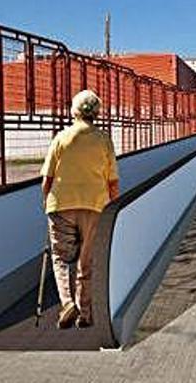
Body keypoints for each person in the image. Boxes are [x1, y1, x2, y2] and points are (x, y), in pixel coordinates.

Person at [41, 90, 120, 329]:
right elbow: (112, 181)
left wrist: (46, 201)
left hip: (61, 204)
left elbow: (47, 178)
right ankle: (84, 313)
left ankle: (66, 304)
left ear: (74, 111)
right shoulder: (104, 140)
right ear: (96, 113)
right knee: (87, 261)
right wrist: (113, 207)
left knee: (60, 257)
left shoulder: (61, 138)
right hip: (95, 205)